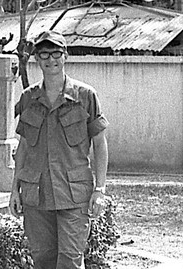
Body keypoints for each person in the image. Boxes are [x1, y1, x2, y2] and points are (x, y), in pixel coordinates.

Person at [10, 29, 110, 269]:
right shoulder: (28, 98)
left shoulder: (86, 96)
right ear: (36, 59)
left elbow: (99, 144)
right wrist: (14, 190)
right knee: (43, 260)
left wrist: (100, 189)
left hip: (74, 194)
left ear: (65, 56)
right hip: (37, 194)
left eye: (56, 53)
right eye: (44, 55)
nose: (50, 60)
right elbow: (23, 147)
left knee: (70, 261)